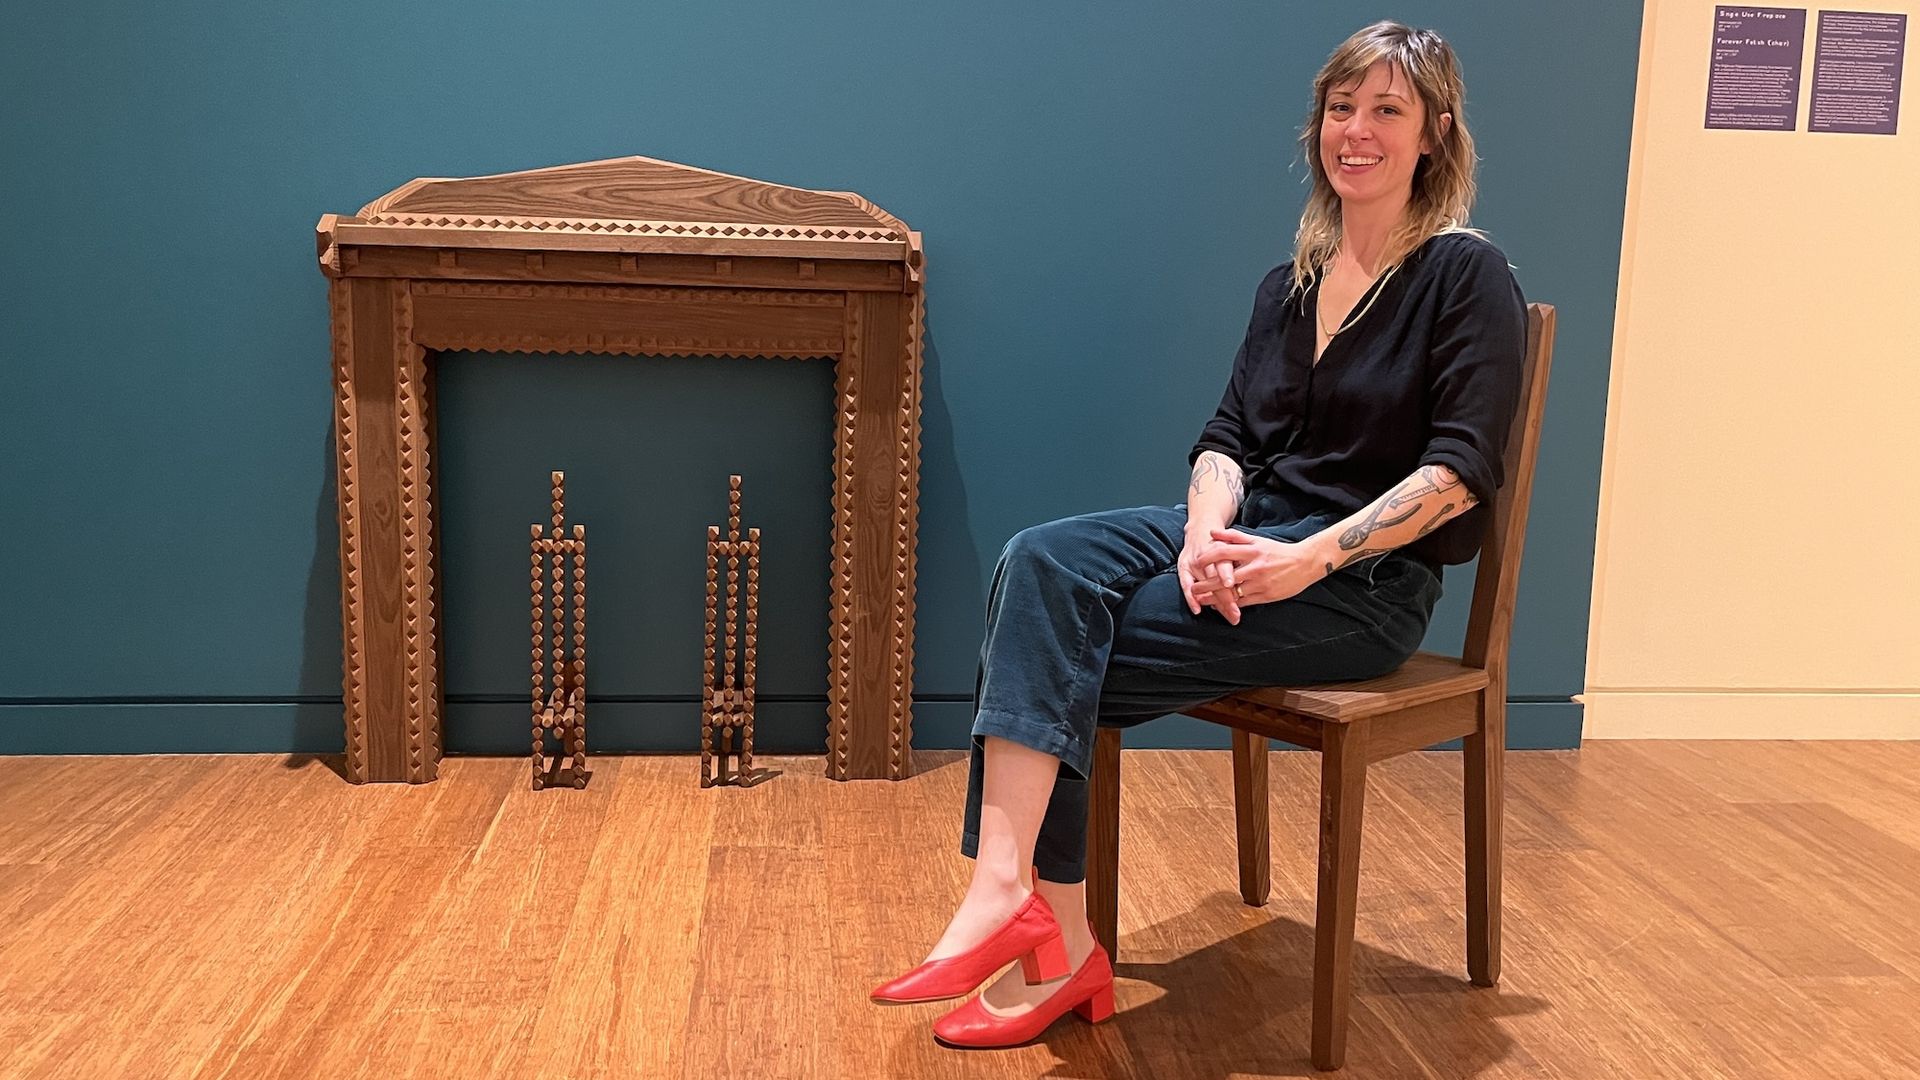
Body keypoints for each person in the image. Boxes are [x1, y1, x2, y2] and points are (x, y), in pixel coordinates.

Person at [870, 19, 1527, 1049]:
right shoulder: (1293, 280)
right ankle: (1013, 893)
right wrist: (1203, 534)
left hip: (1362, 583)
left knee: (1058, 649)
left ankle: (1056, 939)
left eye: (1386, 110)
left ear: (1435, 133)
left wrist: (1309, 557)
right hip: (1246, 537)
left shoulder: (1464, 275)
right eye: (1340, 108)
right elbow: (1227, 438)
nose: (1356, 130)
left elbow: (1457, 476)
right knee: (1041, 564)